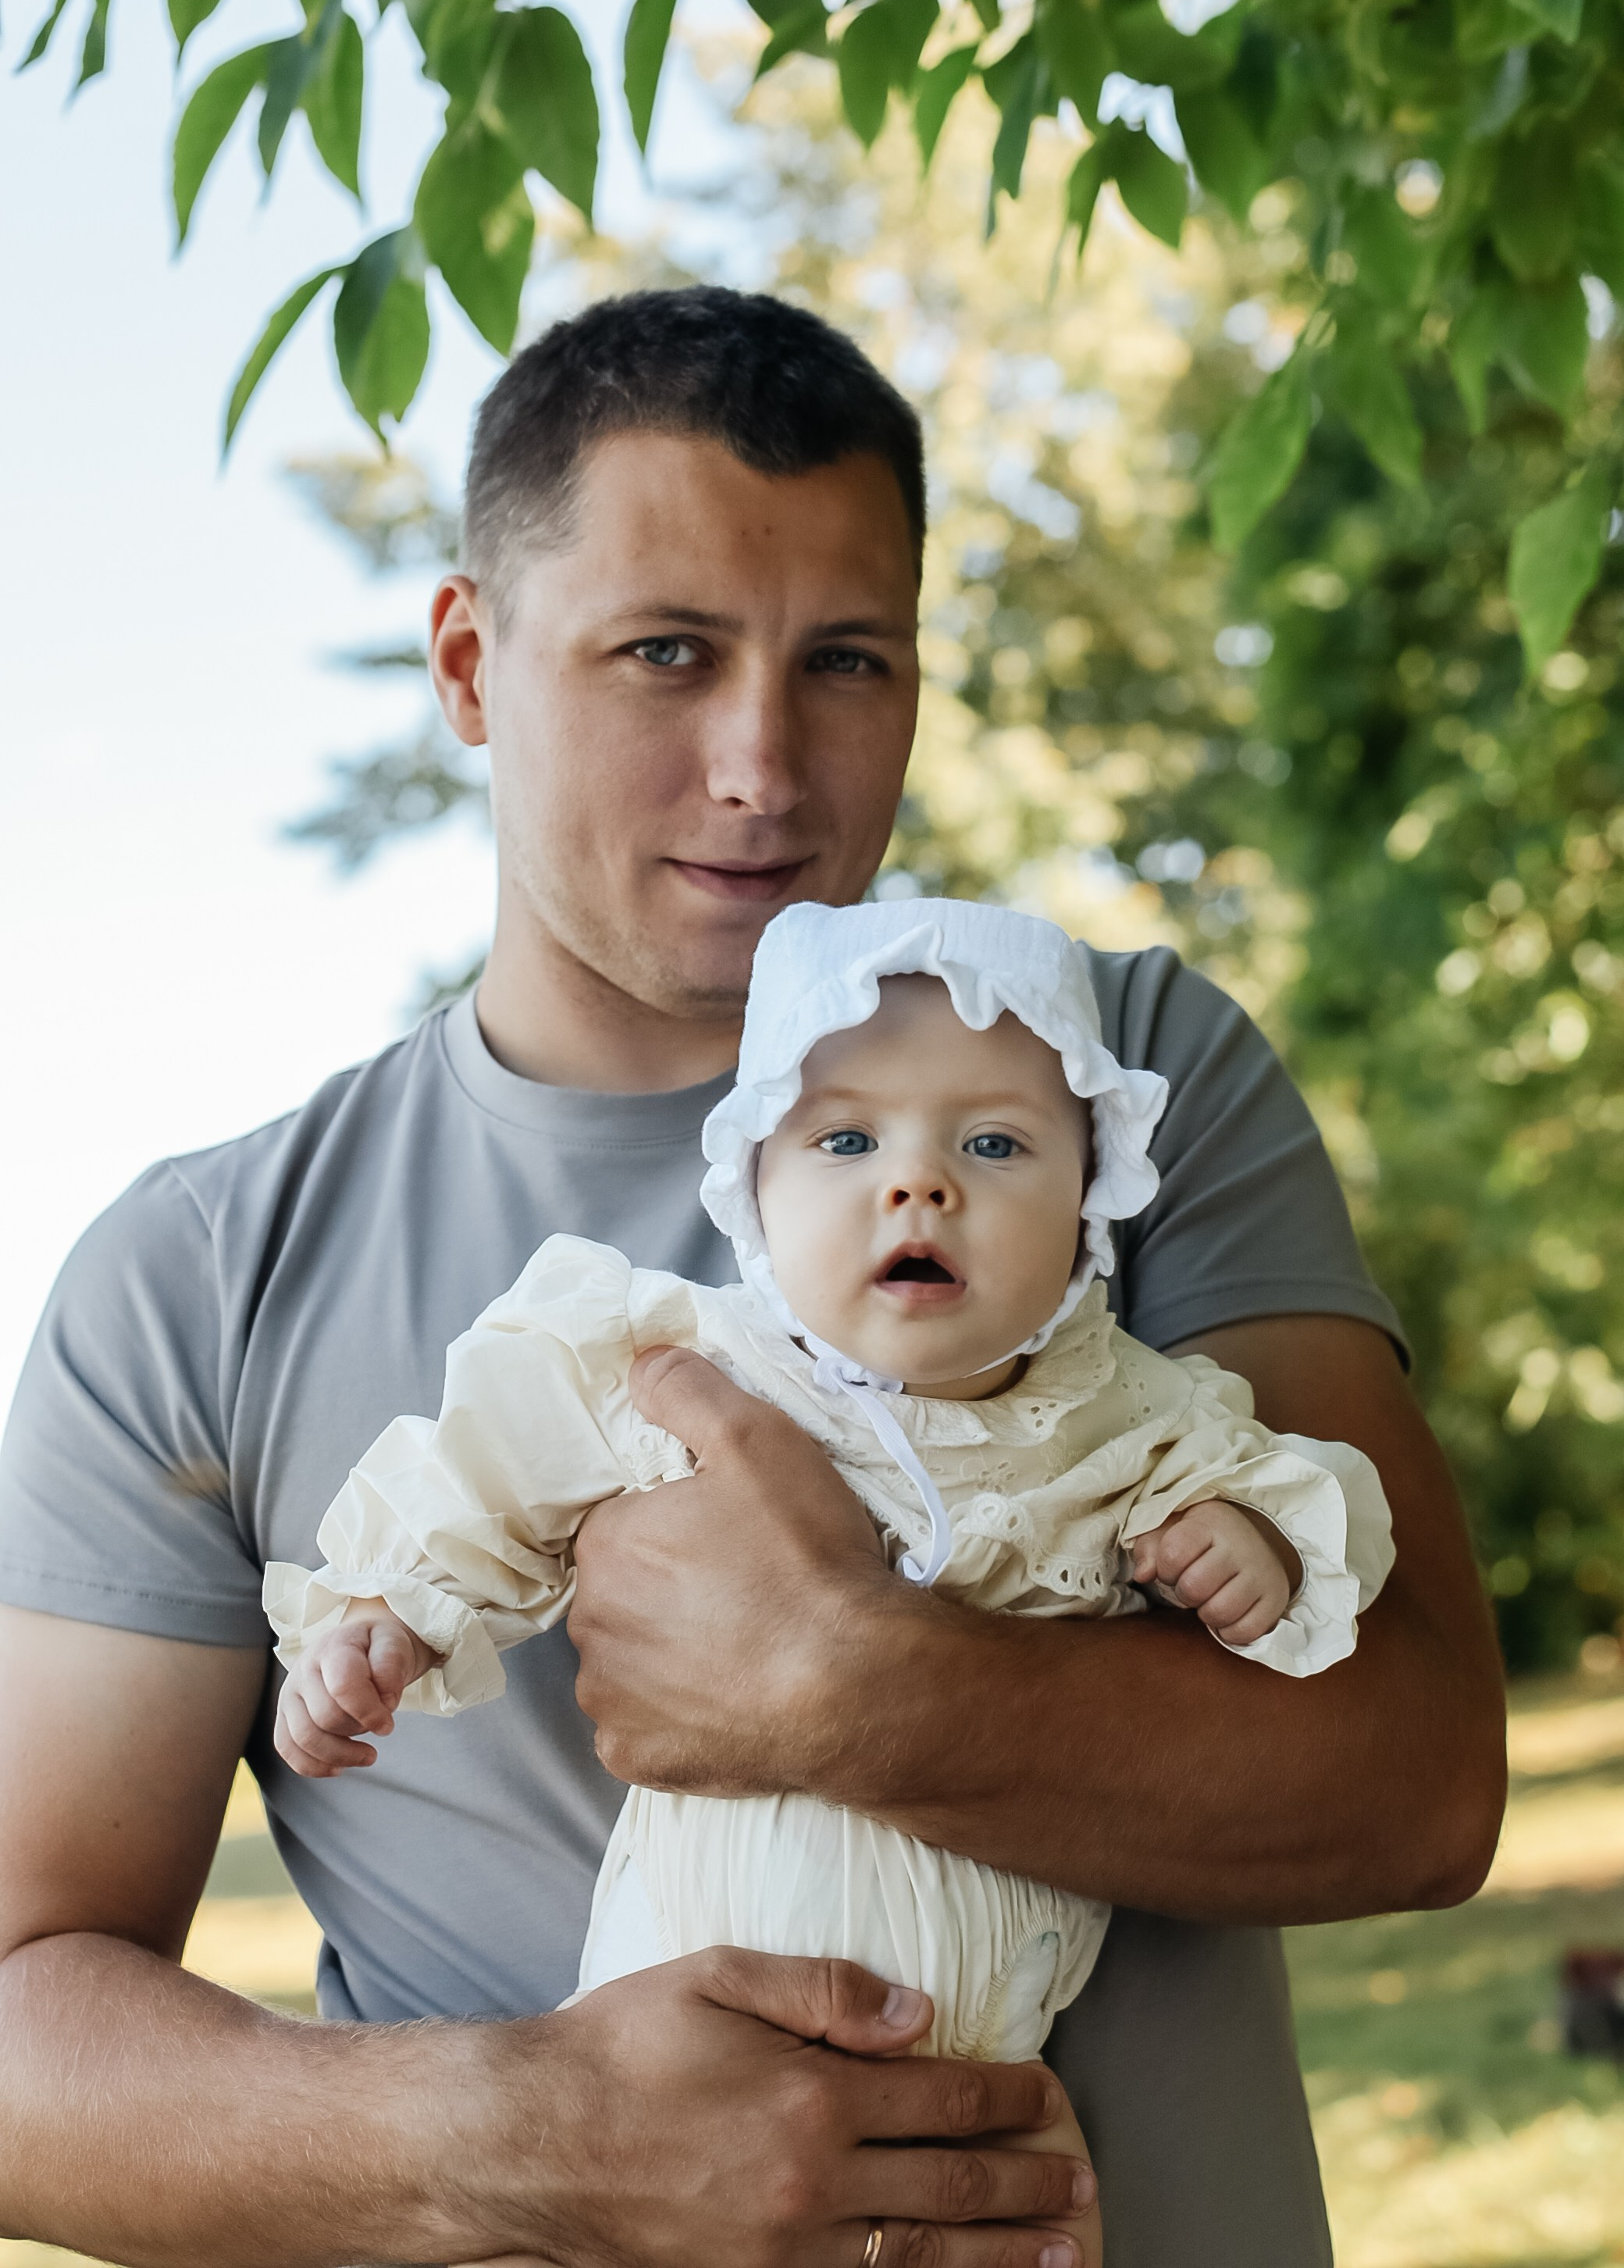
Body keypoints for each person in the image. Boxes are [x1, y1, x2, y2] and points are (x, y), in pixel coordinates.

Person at [0, 287, 1505, 2268]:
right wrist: (525, 2139)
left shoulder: (1113, 1081)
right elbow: (25, 2013)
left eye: (847, 661)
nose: (761, 768)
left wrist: (848, 1686)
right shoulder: (201, 1272)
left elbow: (1416, 1787)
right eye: (663, 654)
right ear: (467, 660)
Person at [265, 901, 1398, 2268]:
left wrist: (1249, 1549)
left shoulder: (1125, 1415)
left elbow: (1300, 1497)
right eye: (846, 1142)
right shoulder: (694, 1366)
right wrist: (380, 1617)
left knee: (1003, 2224)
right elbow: (488, 1472)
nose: (917, 1186)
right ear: (755, 1186)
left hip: (981, 2070)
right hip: (688, 2021)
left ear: (1090, 1199)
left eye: (994, 1144)